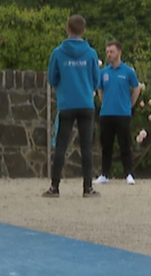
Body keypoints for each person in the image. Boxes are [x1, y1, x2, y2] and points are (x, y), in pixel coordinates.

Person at [43, 15, 101, 198]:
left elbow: (52, 78)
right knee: (86, 147)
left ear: (67, 29)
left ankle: (55, 186)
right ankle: (88, 187)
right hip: (85, 103)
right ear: (83, 31)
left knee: (61, 145)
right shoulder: (91, 53)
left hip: (66, 103)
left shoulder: (58, 53)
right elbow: (96, 80)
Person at [94, 41, 142, 185]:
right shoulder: (104, 72)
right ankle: (104, 174)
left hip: (123, 114)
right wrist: (105, 103)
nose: (109, 54)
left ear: (119, 52)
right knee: (106, 145)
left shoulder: (128, 71)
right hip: (106, 114)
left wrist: (129, 104)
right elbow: (100, 90)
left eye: (112, 51)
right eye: (107, 52)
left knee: (125, 144)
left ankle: (128, 173)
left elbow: (136, 88)